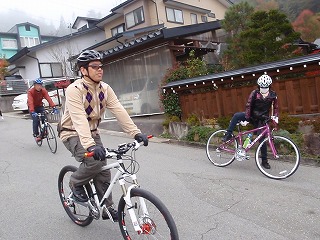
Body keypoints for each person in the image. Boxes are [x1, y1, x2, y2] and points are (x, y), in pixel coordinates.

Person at [58, 49, 149, 222]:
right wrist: (90, 145)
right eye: (94, 67)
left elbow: (119, 111)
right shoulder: (74, 90)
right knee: (93, 161)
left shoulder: (105, 89)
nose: (100, 69)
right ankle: (75, 182)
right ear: (83, 70)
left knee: (104, 170)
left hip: (92, 132)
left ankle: (107, 208)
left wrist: (135, 133)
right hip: (71, 132)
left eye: (101, 66)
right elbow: (78, 120)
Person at [222, 74, 279, 169]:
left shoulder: (273, 95)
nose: (263, 89)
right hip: (252, 115)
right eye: (262, 87)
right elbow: (248, 105)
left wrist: (275, 118)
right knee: (236, 115)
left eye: (265, 87)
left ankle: (264, 161)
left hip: (262, 118)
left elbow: (276, 107)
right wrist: (247, 118)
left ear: (269, 86)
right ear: (259, 86)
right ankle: (228, 134)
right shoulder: (255, 93)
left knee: (262, 140)